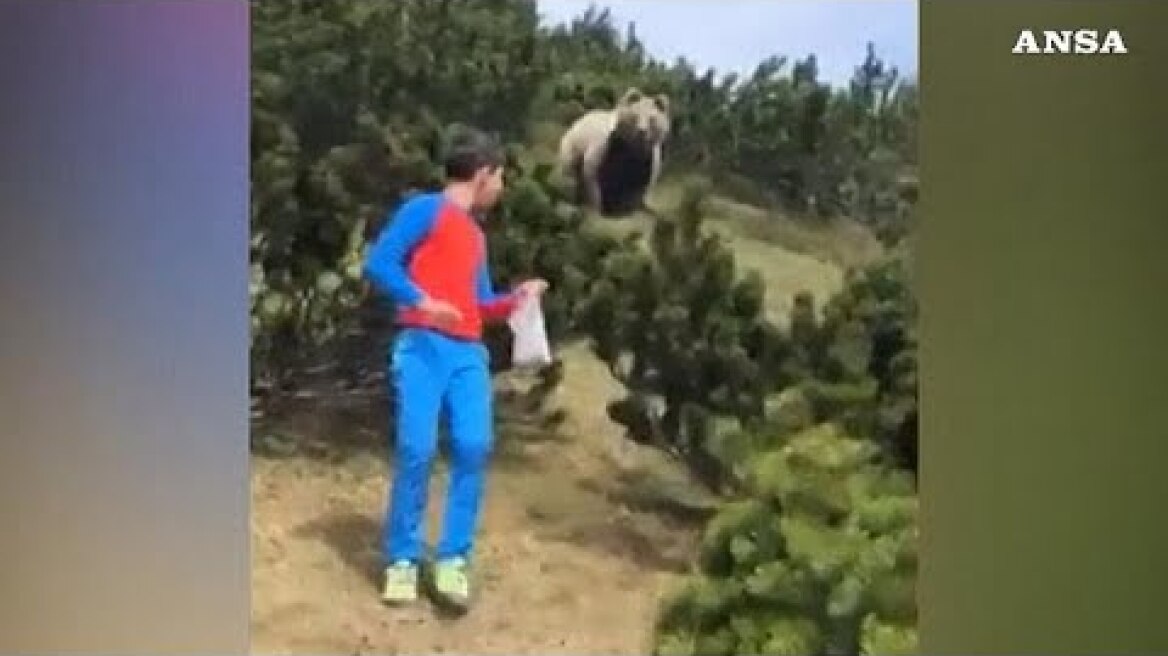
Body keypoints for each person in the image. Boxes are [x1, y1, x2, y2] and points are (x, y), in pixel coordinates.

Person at [362, 126, 547, 611]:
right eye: (501, 177)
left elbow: (480, 303)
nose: (502, 188)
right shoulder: (425, 210)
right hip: (422, 346)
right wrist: (423, 301)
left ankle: (451, 561)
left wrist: (515, 300)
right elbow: (380, 262)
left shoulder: (475, 237)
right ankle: (402, 560)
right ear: (483, 174)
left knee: (473, 446)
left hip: (468, 355)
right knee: (416, 448)